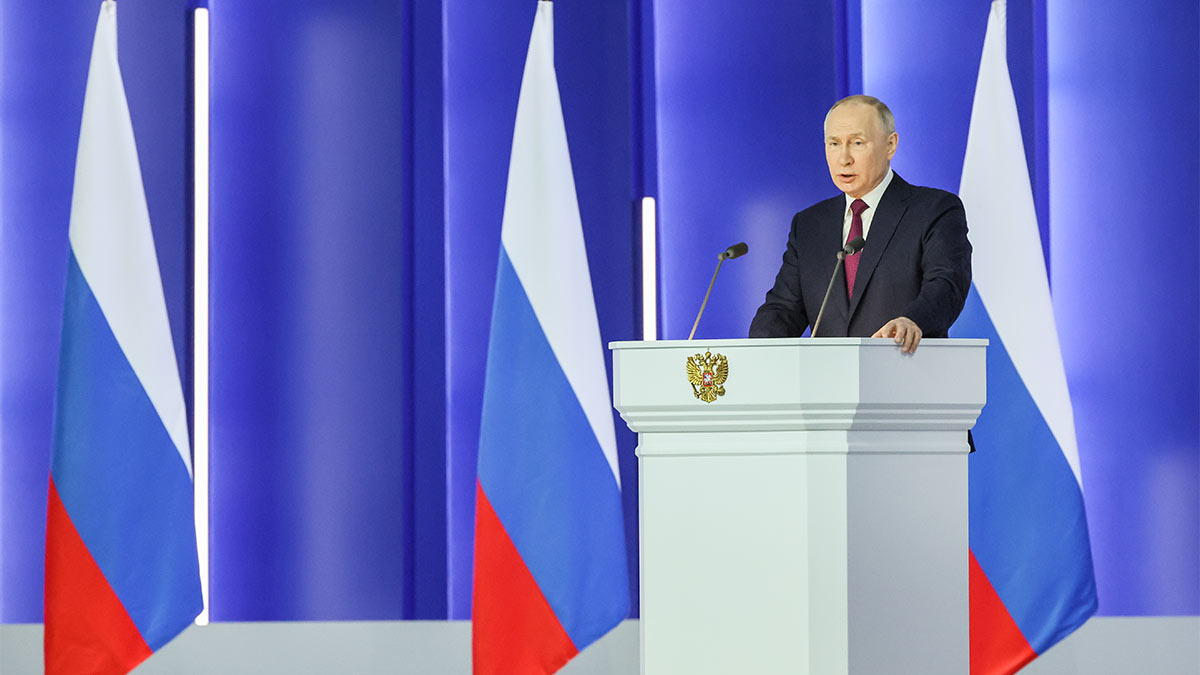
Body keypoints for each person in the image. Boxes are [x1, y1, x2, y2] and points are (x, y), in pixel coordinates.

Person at [749, 95, 972, 353]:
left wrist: (912, 320)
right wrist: (754, 350)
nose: (844, 158)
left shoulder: (933, 209)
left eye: (857, 143)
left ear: (890, 145)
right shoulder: (809, 224)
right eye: (834, 144)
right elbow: (784, 308)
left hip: (904, 367)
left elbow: (946, 284)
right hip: (829, 376)